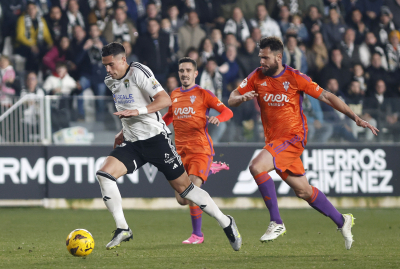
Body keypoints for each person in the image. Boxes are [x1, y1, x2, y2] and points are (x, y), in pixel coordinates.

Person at [227, 36, 378, 249]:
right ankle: (342, 220)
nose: (261, 61)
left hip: (293, 138)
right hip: (275, 141)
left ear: (279, 57)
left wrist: (356, 118)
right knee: (304, 191)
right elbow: (231, 97)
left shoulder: (295, 77)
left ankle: (276, 222)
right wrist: (241, 98)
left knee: (256, 166)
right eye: (260, 57)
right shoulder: (256, 76)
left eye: (265, 57)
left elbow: (326, 96)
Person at [98, 42, 241, 251]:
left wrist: (138, 112)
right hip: (132, 143)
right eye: (105, 66)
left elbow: (164, 100)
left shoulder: (139, 72)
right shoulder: (110, 81)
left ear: (123, 60)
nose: (108, 70)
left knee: (186, 192)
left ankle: (225, 221)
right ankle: (122, 228)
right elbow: (126, 108)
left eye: (111, 64)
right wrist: (123, 131)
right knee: (104, 174)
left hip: (156, 140)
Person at [161, 57, 233, 244]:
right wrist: (157, 126)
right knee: (182, 199)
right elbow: (169, 116)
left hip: (201, 150)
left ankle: (197, 235)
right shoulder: (174, 94)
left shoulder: (203, 94)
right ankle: (210, 168)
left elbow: (227, 111)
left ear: (195, 73)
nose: (184, 74)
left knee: (192, 191)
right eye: (181, 71)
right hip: (180, 152)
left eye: (187, 70)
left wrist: (219, 119)